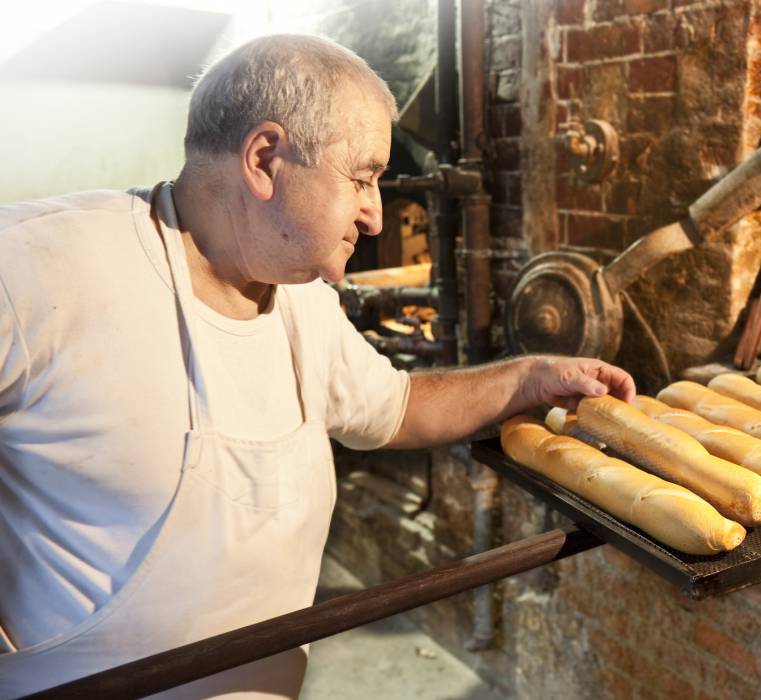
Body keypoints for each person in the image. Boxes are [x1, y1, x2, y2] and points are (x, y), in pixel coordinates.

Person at [0, 34, 633, 698]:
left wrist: (525, 379)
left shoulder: (303, 302)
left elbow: (397, 408)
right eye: (362, 177)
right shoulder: (41, 269)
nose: (376, 214)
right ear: (265, 158)